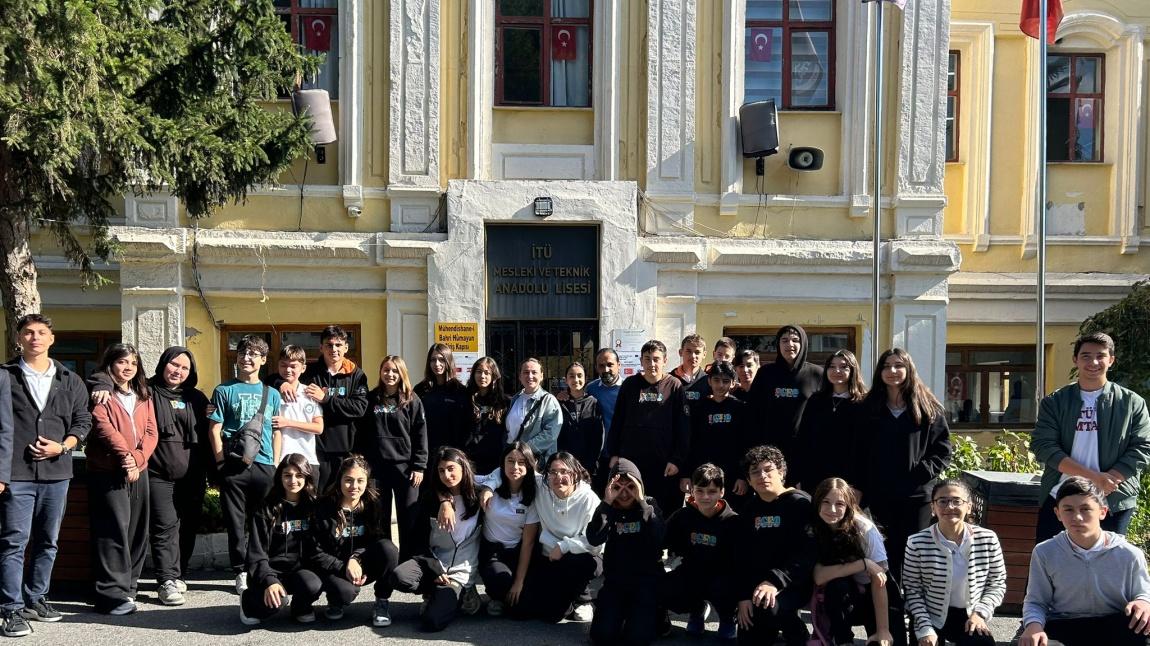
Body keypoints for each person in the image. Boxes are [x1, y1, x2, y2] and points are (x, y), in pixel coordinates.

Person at [89, 346, 211, 606]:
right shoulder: (148, 391)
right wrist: (100, 381)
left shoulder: (197, 398)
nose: (177, 371)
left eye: (184, 367)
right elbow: (104, 378)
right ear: (162, 363)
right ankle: (166, 579)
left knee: (187, 526)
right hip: (156, 472)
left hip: (192, 474)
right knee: (164, 526)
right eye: (173, 364)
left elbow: (208, 437)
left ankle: (178, 574)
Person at [0, 314, 87, 637]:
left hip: (57, 474)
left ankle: (36, 597)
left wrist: (63, 447)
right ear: (19, 338)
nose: (35, 337)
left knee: (48, 541)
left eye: (41, 332)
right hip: (16, 474)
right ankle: (10, 608)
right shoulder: (5, 377)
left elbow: (82, 421)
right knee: (13, 542)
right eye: (28, 332)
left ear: (52, 339)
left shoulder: (69, 379)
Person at [1030, 332, 1150, 542]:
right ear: (1075, 359)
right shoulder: (1056, 402)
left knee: (1108, 564)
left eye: (1100, 356)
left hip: (1113, 498)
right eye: (1085, 356)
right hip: (1060, 495)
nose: (1093, 362)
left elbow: (1143, 448)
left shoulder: (1132, 403)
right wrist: (1095, 478)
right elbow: (1043, 445)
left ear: (1111, 360)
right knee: (1052, 561)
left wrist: (1110, 479)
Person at [1019, 476, 1150, 646]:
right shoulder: (1045, 552)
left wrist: (1143, 603)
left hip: (1114, 624)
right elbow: (1036, 601)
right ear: (1058, 514)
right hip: (1064, 624)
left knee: (1143, 628)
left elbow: (1143, 594)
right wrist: (1033, 626)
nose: (1077, 517)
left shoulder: (1129, 554)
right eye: (1068, 510)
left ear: (1102, 512)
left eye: (1085, 509)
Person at [859, 348, 952, 578]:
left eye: (898, 366)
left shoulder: (928, 407)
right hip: (879, 495)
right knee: (884, 553)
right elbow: (856, 450)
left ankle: (915, 606)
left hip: (915, 496)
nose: (892, 371)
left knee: (914, 552)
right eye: (886, 366)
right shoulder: (868, 408)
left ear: (908, 369)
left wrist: (918, 474)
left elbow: (942, 451)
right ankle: (890, 608)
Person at [208, 334, 283, 594]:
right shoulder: (224, 390)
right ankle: (240, 570)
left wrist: (274, 463)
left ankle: (260, 567)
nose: (246, 358)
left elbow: (276, 431)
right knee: (235, 522)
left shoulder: (271, 393)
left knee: (263, 520)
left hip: (264, 465)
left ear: (263, 360)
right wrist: (219, 462)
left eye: (253, 354)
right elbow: (215, 429)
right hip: (233, 465)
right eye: (242, 353)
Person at [87, 343, 158, 615]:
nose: (127, 368)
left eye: (133, 363)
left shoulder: (143, 395)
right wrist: (127, 457)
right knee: (113, 531)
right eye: (121, 362)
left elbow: (152, 432)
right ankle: (109, 595)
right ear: (110, 364)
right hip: (109, 471)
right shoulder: (101, 393)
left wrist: (138, 460)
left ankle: (128, 587)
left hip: (138, 470)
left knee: (138, 530)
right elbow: (102, 427)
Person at [384, 447, 482, 631]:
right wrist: (435, 570)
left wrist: (489, 491)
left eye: (451, 468)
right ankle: (433, 591)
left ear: (463, 466)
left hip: (461, 571)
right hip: (434, 564)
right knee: (399, 577)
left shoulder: (478, 496)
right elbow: (419, 541)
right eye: (441, 470)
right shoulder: (429, 498)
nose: (447, 474)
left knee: (432, 621)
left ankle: (465, 592)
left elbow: (498, 477)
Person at [903, 479, 1005, 646]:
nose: (949, 507)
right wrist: (925, 627)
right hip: (931, 615)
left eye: (956, 501)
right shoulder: (916, 542)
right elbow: (913, 589)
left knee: (981, 643)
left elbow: (997, 583)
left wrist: (980, 614)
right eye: (942, 501)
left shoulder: (988, 538)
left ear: (969, 506)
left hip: (971, 614)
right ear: (933, 507)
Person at [735, 445, 814, 646]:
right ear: (750, 481)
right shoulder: (749, 509)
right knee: (748, 635)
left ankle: (797, 633)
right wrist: (743, 596)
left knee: (770, 606)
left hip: (794, 581)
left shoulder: (800, 504)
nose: (762, 476)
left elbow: (807, 554)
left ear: (781, 472)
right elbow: (741, 554)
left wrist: (775, 581)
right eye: (755, 472)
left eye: (768, 469)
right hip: (758, 585)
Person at [310, 454, 400, 627]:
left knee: (389, 549)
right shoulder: (324, 507)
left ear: (367, 482)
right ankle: (335, 599)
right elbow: (316, 552)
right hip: (335, 566)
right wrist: (344, 567)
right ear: (339, 480)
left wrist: (355, 558)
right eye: (349, 480)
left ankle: (382, 602)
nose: (354, 486)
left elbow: (377, 540)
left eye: (360, 481)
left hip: (361, 563)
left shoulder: (373, 505)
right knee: (346, 593)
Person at [277, 325, 369, 494]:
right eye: (329, 345)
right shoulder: (310, 372)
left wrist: (326, 399)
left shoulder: (356, 375)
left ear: (346, 348)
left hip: (346, 448)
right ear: (321, 347)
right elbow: (279, 376)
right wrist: (280, 383)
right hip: (316, 449)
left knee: (344, 496)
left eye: (338, 345)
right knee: (320, 496)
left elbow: (360, 408)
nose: (334, 349)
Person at [811, 477, 902, 646]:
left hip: (878, 592)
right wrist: (863, 564)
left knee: (885, 640)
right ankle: (844, 640)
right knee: (836, 586)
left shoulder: (864, 529)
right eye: (825, 502)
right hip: (845, 594)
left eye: (840, 504)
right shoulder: (815, 527)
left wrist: (883, 629)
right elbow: (819, 576)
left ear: (848, 506)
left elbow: (879, 578)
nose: (832, 509)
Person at [514, 451, 602, 623]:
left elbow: (594, 542)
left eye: (564, 472)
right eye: (553, 472)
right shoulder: (542, 486)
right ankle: (564, 600)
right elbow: (507, 472)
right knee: (520, 610)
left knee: (552, 613)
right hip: (549, 557)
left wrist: (563, 547)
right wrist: (486, 489)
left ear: (575, 473)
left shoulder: (589, 499)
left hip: (582, 556)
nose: (558, 477)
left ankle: (583, 599)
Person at [355, 355, 427, 560]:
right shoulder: (371, 399)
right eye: (386, 370)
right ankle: (385, 559)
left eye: (395, 371)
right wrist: (363, 466)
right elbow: (362, 434)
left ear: (402, 373)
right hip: (377, 468)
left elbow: (421, 434)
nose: (390, 374)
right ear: (380, 372)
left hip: (406, 469)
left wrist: (419, 466)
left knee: (408, 517)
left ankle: (408, 561)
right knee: (379, 517)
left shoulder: (412, 400)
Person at [588, 458, 666, 646]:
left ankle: (658, 615)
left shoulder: (649, 504)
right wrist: (607, 502)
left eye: (630, 486)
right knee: (601, 636)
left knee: (637, 638)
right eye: (618, 487)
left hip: (645, 582)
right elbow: (594, 538)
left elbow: (659, 539)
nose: (624, 493)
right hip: (616, 583)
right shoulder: (608, 507)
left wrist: (641, 502)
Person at [608, 340, 690, 516]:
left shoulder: (674, 386)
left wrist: (677, 460)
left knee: (665, 513)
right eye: (647, 359)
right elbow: (617, 421)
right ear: (641, 361)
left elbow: (683, 427)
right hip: (632, 463)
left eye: (656, 359)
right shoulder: (630, 385)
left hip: (664, 465)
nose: (652, 364)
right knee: (632, 509)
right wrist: (614, 453)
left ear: (665, 360)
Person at [240, 454, 323, 625]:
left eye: (299, 475)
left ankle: (300, 607)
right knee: (274, 606)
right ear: (279, 478)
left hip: (298, 572)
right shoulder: (265, 509)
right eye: (287, 475)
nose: (293, 480)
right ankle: (247, 601)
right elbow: (256, 554)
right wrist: (269, 580)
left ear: (307, 477)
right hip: (269, 573)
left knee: (313, 584)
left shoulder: (314, 508)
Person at [663, 463, 739, 640]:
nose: (705, 497)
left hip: (723, 578)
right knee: (663, 585)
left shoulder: (734, 522)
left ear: (722, 492)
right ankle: (696, 611)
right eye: (700, 491)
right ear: (692, 491)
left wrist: (742, 599)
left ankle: (727, 617)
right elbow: (659, 541)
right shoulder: (682, 516)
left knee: (724, 587)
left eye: (712, 491)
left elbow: (743, 562)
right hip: (693, 573)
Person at [747, 325, 823, 477]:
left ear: (803, 344)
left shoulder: (817, 374)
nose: (790, 345)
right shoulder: (766, 374)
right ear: (778, 344)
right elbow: (752, 413)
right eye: (784, 340)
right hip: (769, 454)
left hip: (804, 453)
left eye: (795, 340)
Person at [476, 442, 540, 616]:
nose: (515, 467)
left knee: (524, 609)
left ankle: (512, 593)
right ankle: (496, 596)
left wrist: (519, 582)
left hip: (520, 551)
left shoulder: (535, 492)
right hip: (493, 553)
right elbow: (461, 477)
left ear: (529, 464)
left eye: (521, 462)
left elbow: (528, 542)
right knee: (500, 579)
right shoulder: (492, 483)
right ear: (502, 463)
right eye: (510, 461)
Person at [795, 350, 868, 492]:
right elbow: (803, 440)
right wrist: (799, 475)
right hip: (815, 477)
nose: (837, 371)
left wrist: (859, 485)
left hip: (849, 481)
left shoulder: (864, 403)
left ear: (853, 370)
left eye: (843, 366)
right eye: (832, 366)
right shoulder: (815, 401)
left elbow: (865, 448)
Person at [683, 361, 749, 504]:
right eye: (716, 380)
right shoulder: (699, 408)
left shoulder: (741, 408)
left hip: (733, 477)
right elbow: (690, 443)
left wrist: (742, 477)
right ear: (709, 381)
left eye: (726, 381)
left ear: (733, 383)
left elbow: (746, 444)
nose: (720, 385)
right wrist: (686, 474)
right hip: (703, 475)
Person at [272, 345, 323, 470]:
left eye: (293, 366)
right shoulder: (271, 393)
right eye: (283, 365)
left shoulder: (310, 392)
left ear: (303, 368)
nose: (288, 370)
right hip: (279, 459)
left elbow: (318, 427)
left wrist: (288, 422)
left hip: (308, 459)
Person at [414, 343, 470, 454]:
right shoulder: (421, 390)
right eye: (433, 360)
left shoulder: (460, 391)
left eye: (441, 360)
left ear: (448, 361)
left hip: (453, 454)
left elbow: (465, 427)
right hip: (427, 453)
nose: (437, 364)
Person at [505, 358, 561, 462]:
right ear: (520, 376)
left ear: (541, 376)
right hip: (514, 458)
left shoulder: (549, 400)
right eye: (526, 372)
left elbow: (550, 433)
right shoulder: (515, 399)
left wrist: (524, 451)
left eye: (534, 372)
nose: (530, 376)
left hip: (535, 460)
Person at [463, 357, 509, 475]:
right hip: (469, 463)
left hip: (496, 464)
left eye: (487, 372)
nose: (482, 376)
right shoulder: (464, 399)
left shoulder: (504, 402)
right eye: (479, 372)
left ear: (494, 376)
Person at [557, 362, 604, 478]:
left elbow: (598, 438)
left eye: (579, 375)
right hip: (565, 466)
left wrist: (589, 465)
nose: (576, 379)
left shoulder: (593, 402)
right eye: (571, 376)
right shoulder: (559, 403)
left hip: (588, 467)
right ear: (566, 379)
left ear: (585, 378)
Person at [586, 348, 623, 491]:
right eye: (601, 365)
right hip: (597, 456)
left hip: (620, 456)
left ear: (618, 365)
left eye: (610, 364)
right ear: (596, 367)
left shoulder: (628, 388)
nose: (606, 369)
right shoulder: (591, 389)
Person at [671, 334, 712, 410]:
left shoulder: (709, 381)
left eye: (697, 352)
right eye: (688, 351)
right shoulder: (669, 380)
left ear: (704, 354)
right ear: (680, 352)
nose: (693, 356)